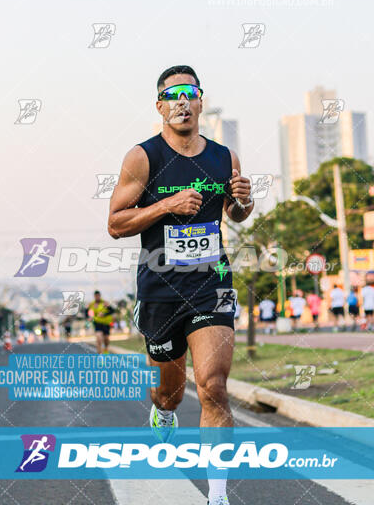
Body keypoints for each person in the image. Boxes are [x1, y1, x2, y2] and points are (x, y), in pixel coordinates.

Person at [108, 65, 254, 505]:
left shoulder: (224, 156)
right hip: (160, 286)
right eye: (172, 95)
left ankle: (218, 495)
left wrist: (245, 201)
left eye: (190, 93)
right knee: (170, 393)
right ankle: (163, 411)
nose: (182, 101)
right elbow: (115, 223)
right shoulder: (143, 157)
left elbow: (236, 214)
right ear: (160, 106)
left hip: (212, 282)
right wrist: (166, 205)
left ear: (201, 102)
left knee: (213, 385)